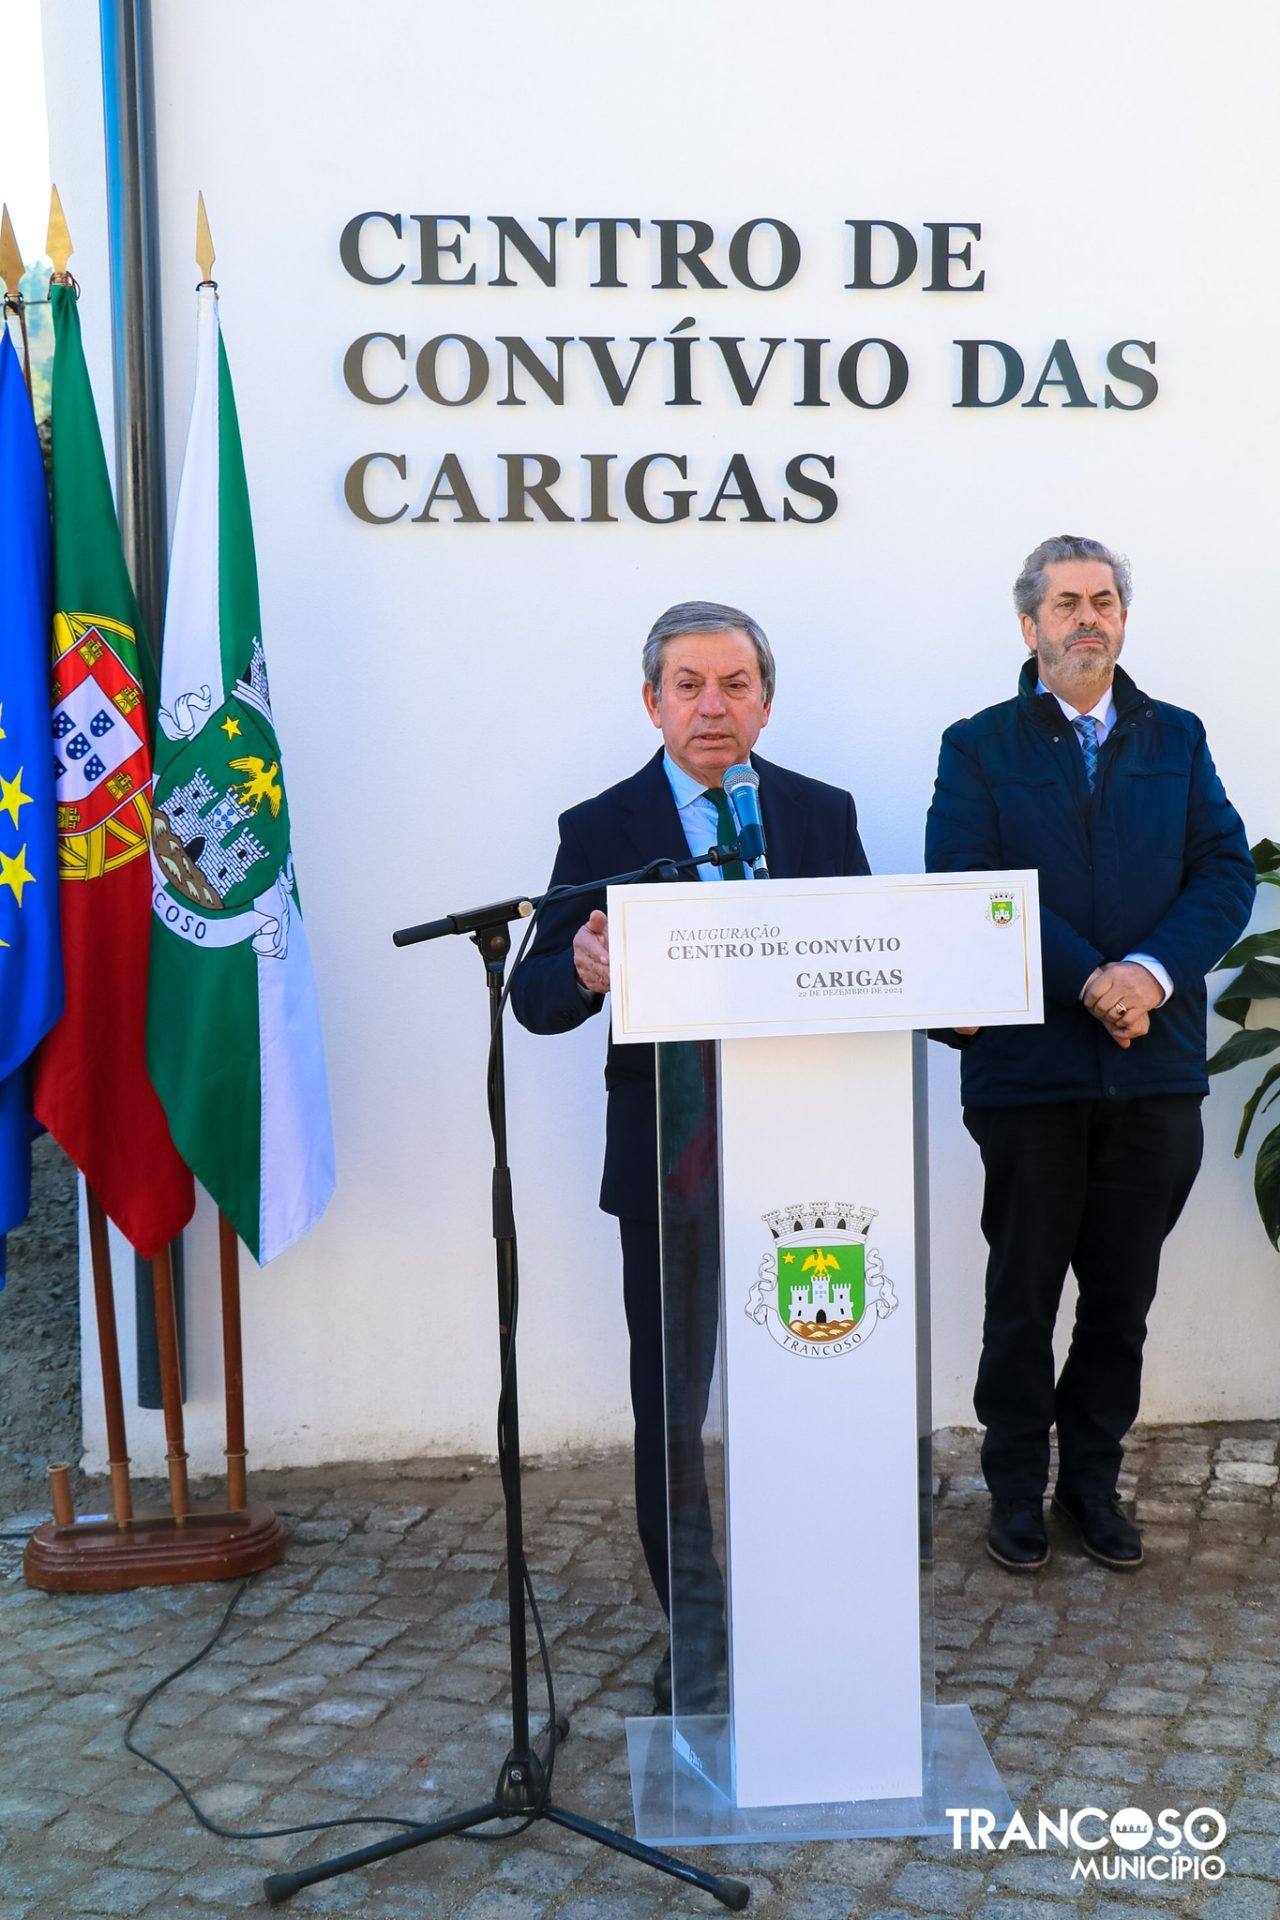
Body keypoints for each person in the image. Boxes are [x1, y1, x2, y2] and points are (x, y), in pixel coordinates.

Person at [511, 601, 870, 1703]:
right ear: (651, 702)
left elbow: (871, 960)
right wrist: (583, 969)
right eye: (688, 685)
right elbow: (535, 997)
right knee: (674, 1409)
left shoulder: (818, 814)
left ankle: (807, 1606)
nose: (712, 706)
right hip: (673, 1164)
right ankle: (700, 1631)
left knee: (815, 1381)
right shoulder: (601, 826)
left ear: (765, 701)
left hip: (810, 1160)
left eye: (734, 684)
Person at [925, 535, 1255, 1574]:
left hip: (1154, 1072)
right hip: (1029, 1077)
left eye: (1102, 601)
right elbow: (968, 881)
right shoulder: (978, 745)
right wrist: (1090, 980)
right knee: (1021, 1301)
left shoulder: (1175, 736)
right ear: (1028, 624)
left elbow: (1224, 871)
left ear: (1121, 618)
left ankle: (1092, 1486)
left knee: (1119, 1304)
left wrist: (1148, 974)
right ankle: (1014, 1490)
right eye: (1065, 602)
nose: (1086, 618)